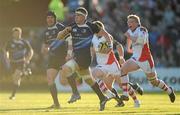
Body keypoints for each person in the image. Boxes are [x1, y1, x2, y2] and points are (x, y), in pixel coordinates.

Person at [57, 7, 111, 111]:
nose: (76, 17)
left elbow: (106, 34)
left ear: (84, 16)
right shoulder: (72, 26)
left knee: (65, 68)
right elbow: (59, 37)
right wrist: (65, 30)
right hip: (78, 58)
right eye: (75, 15)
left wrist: (109, 46)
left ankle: (75, 93)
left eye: (78, 15)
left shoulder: (91, 26)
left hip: (85, 58)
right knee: (89, 80)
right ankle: (102, 98)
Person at [120, 14, 176, 103]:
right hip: (135, 58)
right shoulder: (130, 31)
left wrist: (129, 37)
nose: (129, 24)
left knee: (154, 82)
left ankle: (169, 90)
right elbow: (128, 44)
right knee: (122, 70)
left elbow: (140, 40)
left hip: (145, 59)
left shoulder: (142, 30)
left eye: (131, 22)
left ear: (137, 23)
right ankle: (125, 94)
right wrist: (129, 48)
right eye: (128, 22)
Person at [91, 20, 140, 108]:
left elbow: (118, 46)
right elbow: (92, 51)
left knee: (123, 85)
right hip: (102, 66)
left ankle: (136, 101)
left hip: (112, 65)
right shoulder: (93, 38)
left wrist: (121, 57)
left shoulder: (108, 37)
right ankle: (115, 98)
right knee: (96, 76)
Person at [43, 11, 81, 109]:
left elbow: (69, 40)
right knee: (50, 79)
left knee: (65, 75)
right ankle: (56, 104)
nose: (49, 19)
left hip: (63, 57)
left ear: (55, 19)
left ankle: (75, 92)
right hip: (52, 59)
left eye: (51, 17)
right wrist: (44, 49)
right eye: (48, 18)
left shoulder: (60, 27)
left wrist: (69, 54)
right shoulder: (46, 31)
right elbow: (46, 45)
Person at [5, 27, 33, 100]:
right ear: (13, 34)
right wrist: (7, 57)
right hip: (12, 62)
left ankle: (13, 95)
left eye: (18, 33)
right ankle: (25, 73)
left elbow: (30, 51)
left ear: (20, 34)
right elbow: (6, 51)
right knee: (15, 79)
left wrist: (28, 59)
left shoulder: (24, 42)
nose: (17, 35)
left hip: (21, 61)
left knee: (17, 76)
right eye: (15, 33)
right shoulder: (10, 42)